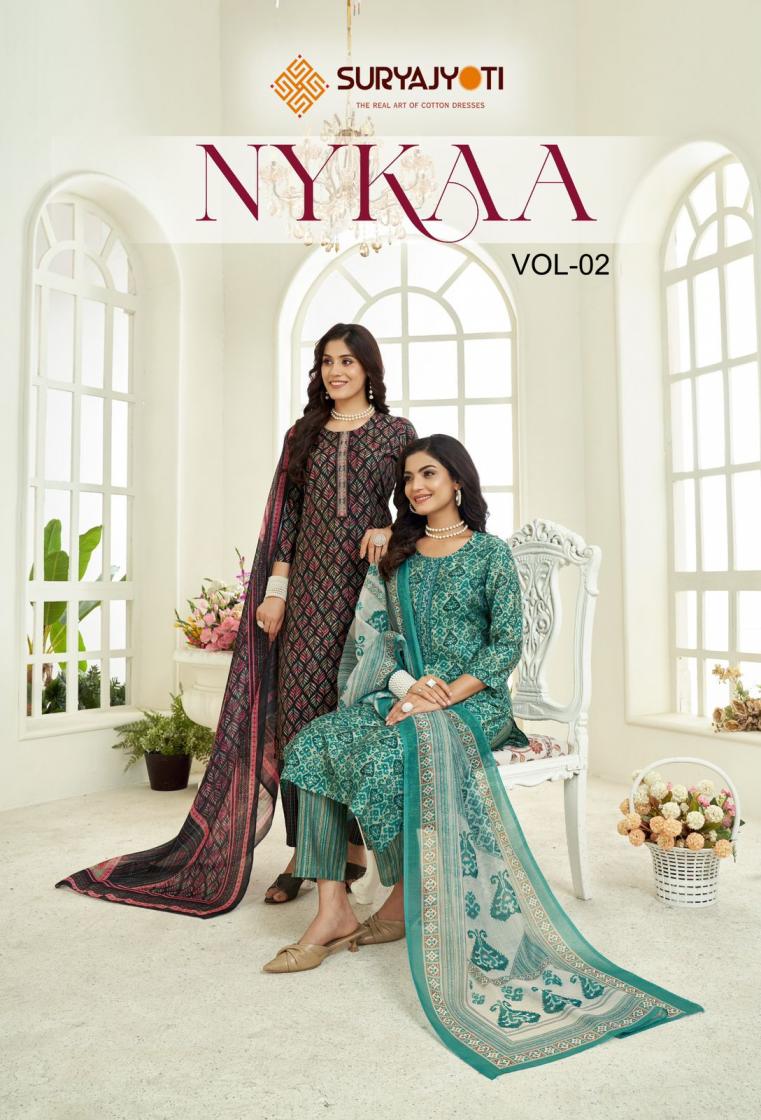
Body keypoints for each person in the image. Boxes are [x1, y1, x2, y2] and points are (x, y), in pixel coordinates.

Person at [262, 434, 703, 1079]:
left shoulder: (490, 553)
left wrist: (444, 695)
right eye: (408, 478)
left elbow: (506, 645)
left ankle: (401, 900)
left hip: (477, 701)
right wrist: (408, 690)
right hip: (409, 693)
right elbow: (380, 642)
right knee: (315, 742)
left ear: (458, 482)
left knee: (386, 755)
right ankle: (332, 908)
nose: (416, 486)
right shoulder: (399, 555)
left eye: (429, 474)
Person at [56, 324, 416, 917]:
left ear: (369, 369)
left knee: (353, 718)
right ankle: (308, 855)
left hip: (368, 595)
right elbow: (288, 520)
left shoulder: (396, 433)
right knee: (299, 723)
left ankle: (352, 851)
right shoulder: (303, 434)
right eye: (327, 361)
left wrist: (387, 527)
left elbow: (417, 503)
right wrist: (275, 593)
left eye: (347, 361)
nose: (336, 371)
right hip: (307, 597)